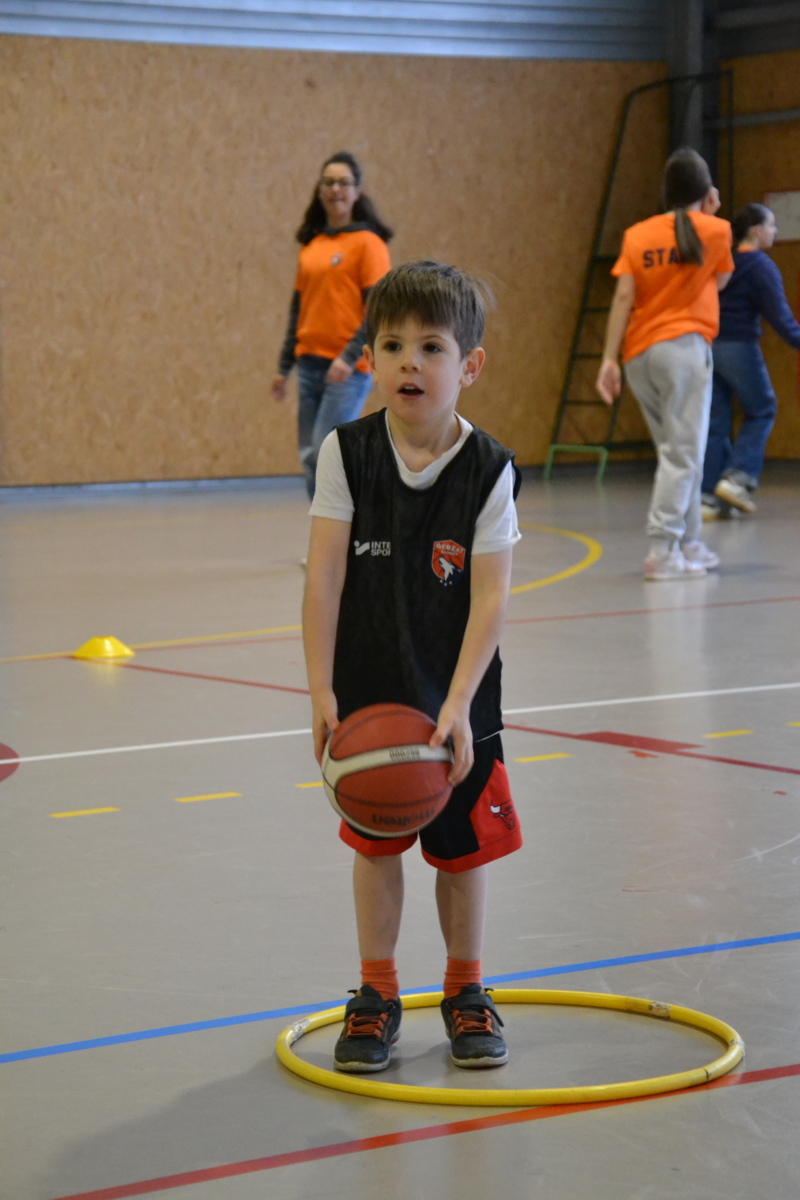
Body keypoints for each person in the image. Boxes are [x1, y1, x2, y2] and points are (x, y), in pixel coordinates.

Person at [302, 261, 523, 1074]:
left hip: (459, 698)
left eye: (431, 347)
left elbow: (491, 599)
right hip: (371, 695)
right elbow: (324, 577)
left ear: (470, 365)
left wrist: (459, 704)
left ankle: (466, 990)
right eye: (392, 345)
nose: (409, 362)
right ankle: (377, 992)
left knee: (462, 855)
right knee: (375, 846)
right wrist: (321, 690)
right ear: (371, 358)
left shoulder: (490, 468)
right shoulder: (347, 452)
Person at [596, 148, 734, 581]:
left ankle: (688, 543)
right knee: (684, 453)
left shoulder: (637, 235)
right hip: (683, 352)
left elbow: (624, 296)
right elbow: (721, 281)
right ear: (706, 191)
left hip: (639, 354)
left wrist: (608, 359)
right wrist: (710, 214)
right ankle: (662, 549)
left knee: (676, 453)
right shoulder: (716, 230)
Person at [272, 151, 392, 499]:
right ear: (320, 190)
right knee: (310, 456)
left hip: (347, 370)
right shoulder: (312, 247)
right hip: (309, 365)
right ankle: (324, 530)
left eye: (343, 182)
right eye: (329, 182)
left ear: (357, 192)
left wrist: (348, 356)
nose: (336, 189)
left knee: (329, 455)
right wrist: (284, 367)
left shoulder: (369, 244)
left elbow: (378, 310)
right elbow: (298, 311)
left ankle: (348, 527)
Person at [702, 203, 800, 518]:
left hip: (709, 345)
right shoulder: (760, 266)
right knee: (762, 409)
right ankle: (737, 478)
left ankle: (708, 497)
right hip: (739, 345)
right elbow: (781, 318)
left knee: (716, 422)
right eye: (772, 226)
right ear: (757, 231)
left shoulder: (723, 261)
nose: (775, 232)